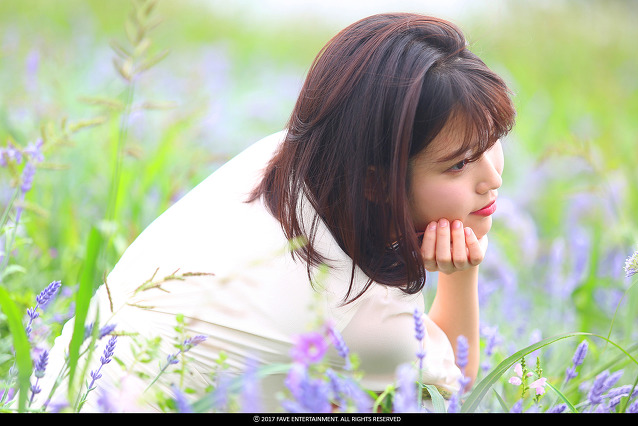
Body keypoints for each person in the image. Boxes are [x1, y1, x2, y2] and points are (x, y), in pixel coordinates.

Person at [38, 12, 515, 412]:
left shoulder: (283, 159)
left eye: (492, 141)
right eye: (458, 164)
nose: (491, 178)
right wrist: (462, 272)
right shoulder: (357, 303)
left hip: (52, 389)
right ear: (375, 179)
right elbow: (453, 386)